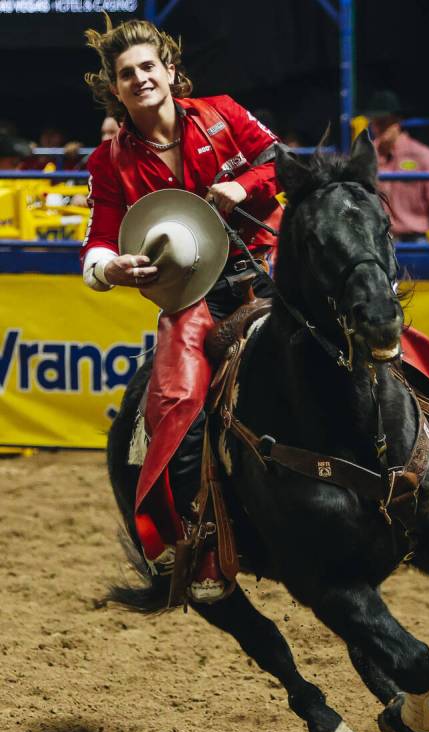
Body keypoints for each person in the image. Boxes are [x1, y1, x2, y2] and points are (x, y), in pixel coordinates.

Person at [81, 17, 281, 602]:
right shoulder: (108, 162)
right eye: (126, 74)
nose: (140, 78)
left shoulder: (222, 114)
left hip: (268, 269)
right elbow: (98, 241)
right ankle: (195, 537)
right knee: (173, 405)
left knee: (358, 326)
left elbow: (284, 162)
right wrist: (109, 268)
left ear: (170, 71)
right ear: (114, 89)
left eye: (148, 67)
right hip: (192, 297)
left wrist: (247, 187)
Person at [363, 90, 429, 244]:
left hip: (412, 241)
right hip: (377, 241)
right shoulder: (366, 157)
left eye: (384, 122)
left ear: (397, 121)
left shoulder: (422, 156)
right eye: (375, 122)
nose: (379, 128)